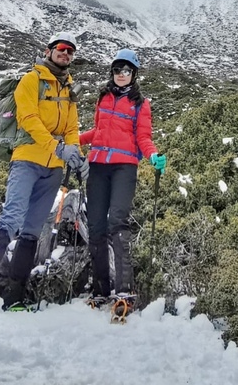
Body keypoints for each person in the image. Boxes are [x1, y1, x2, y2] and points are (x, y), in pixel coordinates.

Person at [0, 32, 85, 312]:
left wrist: (75, 154)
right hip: (27, 160)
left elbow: (72, 128)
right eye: (61, 48)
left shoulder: (68, 89)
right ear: (48, 51)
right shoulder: (31, 80)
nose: (66, 54)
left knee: (32, 231)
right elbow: (28, 118)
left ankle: (15, 298)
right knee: (10, 221)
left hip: (53, 170)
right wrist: (56, 147)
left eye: (71, 51)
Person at [79, 48, 166, 311]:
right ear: (112, 71)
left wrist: (152, 155)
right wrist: (76, 140)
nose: (121, 74)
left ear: (134, 74)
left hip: (124, 168)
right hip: (97, 166)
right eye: (117, 69)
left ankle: (124, 291)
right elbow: (99, 130)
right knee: (95, 227)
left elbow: (143, 137)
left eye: (127, 70)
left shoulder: (141, 103)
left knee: (117, 223)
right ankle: (100, 290)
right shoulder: (103, 97)